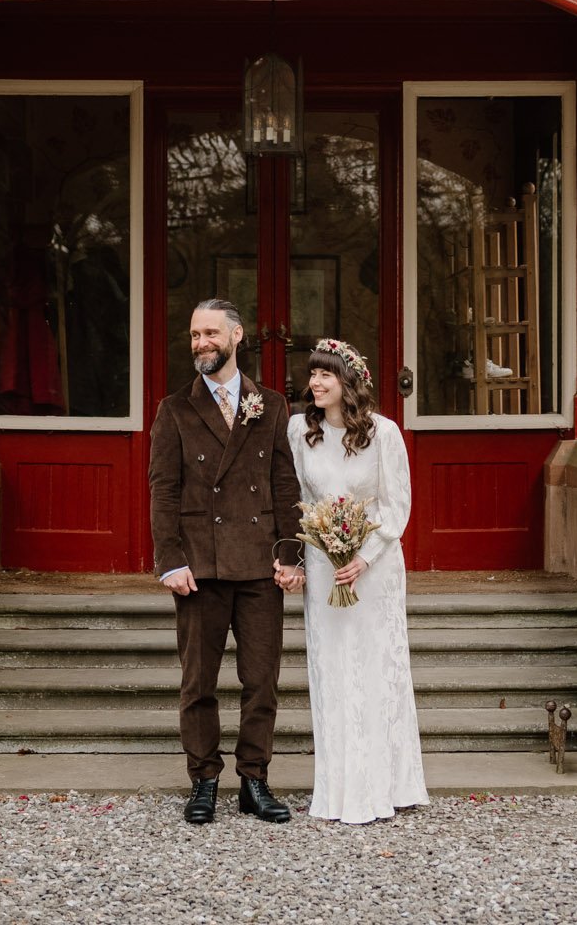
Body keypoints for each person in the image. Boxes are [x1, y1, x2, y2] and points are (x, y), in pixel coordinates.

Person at [148, 297, 303, 826]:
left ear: (237, 337)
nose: (201, 343)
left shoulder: (273, 405)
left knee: (262, 680)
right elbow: (162, 491)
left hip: (260, 565)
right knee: (199, 683)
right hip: (200, 568)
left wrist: (290, 553)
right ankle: (205, 780)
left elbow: (286, 485)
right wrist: (170, 560)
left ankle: (254, 781)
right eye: (194, 335)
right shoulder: (175, 409)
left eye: (211, 333)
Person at [282, 338, 429, 824]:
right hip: (325, 566)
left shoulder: (384, 433)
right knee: (332, 668)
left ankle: (388, 784)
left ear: (350, 383)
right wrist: (303, 561)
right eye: (313, 374)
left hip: (376, 564)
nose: (316, 383)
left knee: (376, 665)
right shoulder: (300, 431)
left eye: (326, 375)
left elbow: (396, 505)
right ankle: (339, 788)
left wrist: (363, 556)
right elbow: (301, 499)